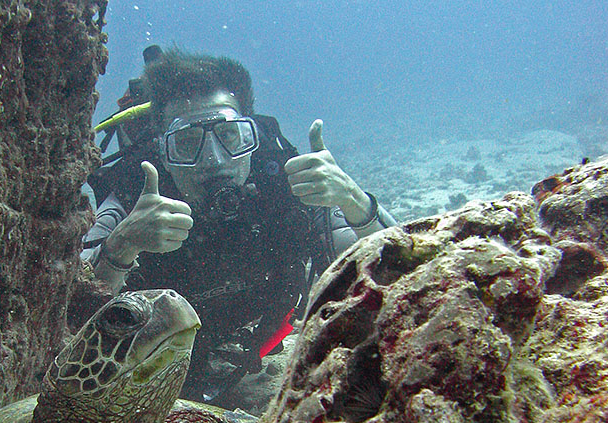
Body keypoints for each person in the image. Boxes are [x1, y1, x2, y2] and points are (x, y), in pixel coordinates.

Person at [82, 47, 396, 403]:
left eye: (230, 137)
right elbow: (67, 315)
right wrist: (121, 246)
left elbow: (401, 277)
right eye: (186, 143)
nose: (214, 161)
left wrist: (354, 202)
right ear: (162, 154)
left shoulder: (288, 189)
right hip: (139, 374)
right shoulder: (134, 199)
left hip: (254, 351)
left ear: (253, 138)